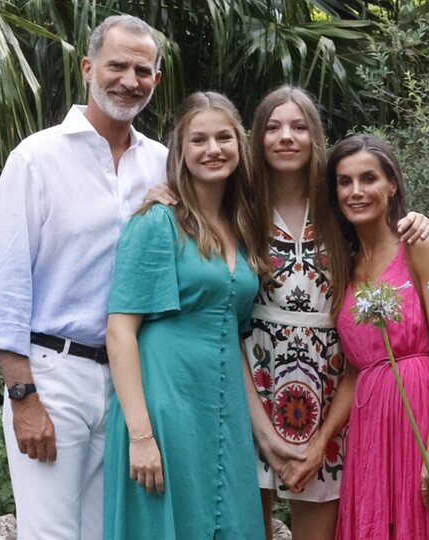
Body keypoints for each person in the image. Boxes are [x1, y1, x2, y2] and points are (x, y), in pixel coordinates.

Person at [146, 85, 429, 540]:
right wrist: (169, 192)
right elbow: (194, 202)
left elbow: (382, 233)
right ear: (255, 138)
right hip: (251, 388)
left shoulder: (339, 208)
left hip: (329, 389)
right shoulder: (238, 207)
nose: (286, 137)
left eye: (299, 127)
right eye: (274, 127)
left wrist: (415, 218)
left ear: (314, 137)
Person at [0, 15, 166, 539]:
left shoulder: (164, 165)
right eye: (117, 65)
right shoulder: (36, 158)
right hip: (53, 375)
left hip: (131, 382)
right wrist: (23, 397)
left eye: (142, 69)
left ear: (156, 77)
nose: (129, 79)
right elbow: (6, 282)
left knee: (112, 532)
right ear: (88, 67)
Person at [103, 91, 267, 539]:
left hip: (223, 405)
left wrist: (267, 435)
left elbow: (232, 335)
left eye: (223, 137)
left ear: (239, 144)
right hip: (163, 404)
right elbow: (120, 331)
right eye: (199, 140)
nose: (213, 149)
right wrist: (141, 435)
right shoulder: (157, 223)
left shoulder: (245, 226)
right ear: (180, 150)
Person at [323, 134, 429, 539]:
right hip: (371, 432)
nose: (356, 191)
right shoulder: (344, 263)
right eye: (345, 182)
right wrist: (319, 444)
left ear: (391, 184)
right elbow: (356, 370)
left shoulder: (419, 245)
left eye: (369, 178)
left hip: (427, 418)